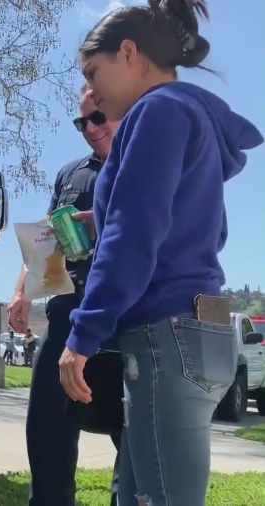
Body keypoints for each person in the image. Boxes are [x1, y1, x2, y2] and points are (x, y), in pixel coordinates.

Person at [59, 1, 264, 505]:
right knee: (135, 494)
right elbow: (205, 231)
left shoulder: (157, 111)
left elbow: (135, 234)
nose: (94, 90)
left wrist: (82, 335)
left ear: (128, 52)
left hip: (163, 337)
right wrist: (104, 218)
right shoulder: (193, 117)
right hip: (203, 331)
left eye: (93, 71)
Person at [8, 84, 122, 506]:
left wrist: (97, 221)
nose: (90, 129)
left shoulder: (144, 167)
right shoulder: (69, 174)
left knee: (131, 439)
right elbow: (45, 239)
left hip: (121, 319)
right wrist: (20, 292)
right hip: (65, 315)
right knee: (47, 433)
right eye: (82, 122)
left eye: (99, 117)